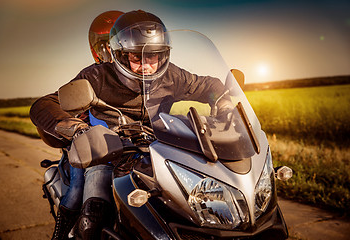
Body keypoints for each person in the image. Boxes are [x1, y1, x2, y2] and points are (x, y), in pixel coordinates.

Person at [30, 10, 231, 240]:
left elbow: (208, 85)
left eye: (153, 56)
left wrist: (223, 103)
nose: (146, 66)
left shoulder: (171, 76)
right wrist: (77, 129)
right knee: (92, 216)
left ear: (163, 55)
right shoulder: (98, 76)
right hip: (107, 154)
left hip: (158, 151)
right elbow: (46, 103)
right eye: (137, 58)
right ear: (122, 55)